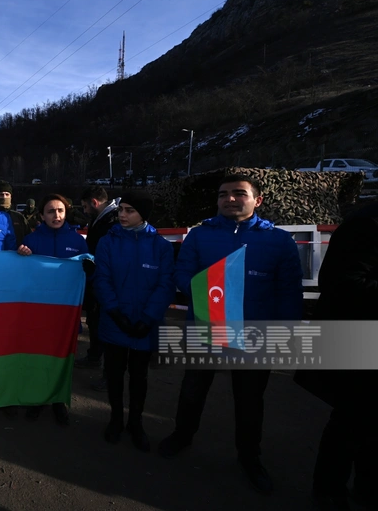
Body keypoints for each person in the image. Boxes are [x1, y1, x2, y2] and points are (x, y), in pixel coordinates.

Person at [158, 174, 303, 495]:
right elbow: (181, 273)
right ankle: (182, 435)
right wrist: (205, 286)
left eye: (239, 194)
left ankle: (250, 456)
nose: (230, 199)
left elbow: (288, 292)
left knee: (249, 400)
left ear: (258, 200)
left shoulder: (279, 241)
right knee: (193, 389)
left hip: (255, 334)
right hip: (207, 328)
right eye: (224, 194)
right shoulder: (199, 235)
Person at [295, 201, 378, 510]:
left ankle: (367, 488)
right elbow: (343, 283)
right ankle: (329, 489)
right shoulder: (365, 226)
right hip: (359, 339)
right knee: (352, 421)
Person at [93, 190, 174, 452]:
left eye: (130, 210)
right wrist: (115, 312)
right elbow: (101, 279)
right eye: (121, 210)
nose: (122, 215)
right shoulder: (108, 241)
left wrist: (149, 318)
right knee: (115, 374)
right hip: (115, 322)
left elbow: (165, 284)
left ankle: (136, 422)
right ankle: (116, 419)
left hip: (144, 325)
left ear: (143, 215)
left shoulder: (160, 246)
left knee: (139, 377)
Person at [17, 194, 88, 427]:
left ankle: (58, 401)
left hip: (66, 313)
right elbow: (21, 274)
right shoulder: (31, 240)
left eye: (60, 211)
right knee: (39, 357)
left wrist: (90, 266)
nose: (56, 215)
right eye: (50, 211)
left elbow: (87, 273)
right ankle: (38, 399)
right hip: (40, 312)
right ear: (41, 216)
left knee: (62, 358)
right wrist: (22, 256)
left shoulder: (77, 241)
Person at [77, 186, 120, 386]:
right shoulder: (103, 218)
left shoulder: (113, 221)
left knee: (108, 326)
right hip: (97, 279)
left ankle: (109, 375)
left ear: (94, 203)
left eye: (86, 206)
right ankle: (94, 356)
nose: (84, 211)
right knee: (94, 321)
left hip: (108, 282)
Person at [0, 180, 31, 246]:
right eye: (0, 194)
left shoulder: (18, 217)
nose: (4, 197)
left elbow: (29, 238)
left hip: (16, 254)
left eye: (7, 194)